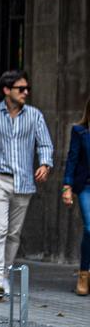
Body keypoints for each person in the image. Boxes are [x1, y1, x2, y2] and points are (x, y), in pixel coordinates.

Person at [0, 70, 53, 300]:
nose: (25, 92)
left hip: (24, 182)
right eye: (20, 89)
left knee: (14, 234)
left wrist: (45, 163)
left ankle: (2, 275)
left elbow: (45, 143)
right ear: (7, 90)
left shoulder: (34, 116)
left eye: (27, 89)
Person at [62, 97, 90, 295]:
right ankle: (83, 273)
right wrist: (67, 186)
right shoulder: (79, 131)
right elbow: (72, 159)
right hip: (86, 187)